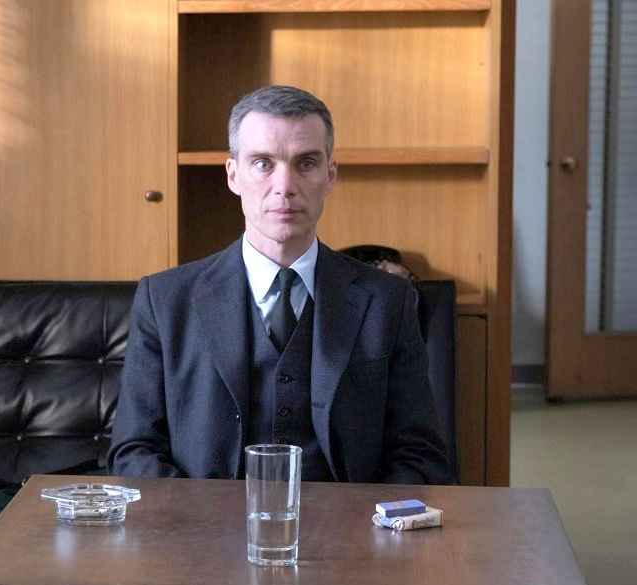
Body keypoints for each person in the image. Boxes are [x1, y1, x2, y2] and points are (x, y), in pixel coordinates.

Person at [108, 86, 449, 484]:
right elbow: (134, 451)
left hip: (348, 521)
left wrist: (364, 519)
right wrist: (200, 517)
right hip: (206, 521)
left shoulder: (388, 302)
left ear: (330, 175)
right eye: (263, 163)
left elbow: (420, 455)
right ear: (233, 175)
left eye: (306, 163)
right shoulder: (165, 301)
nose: (285, 186)